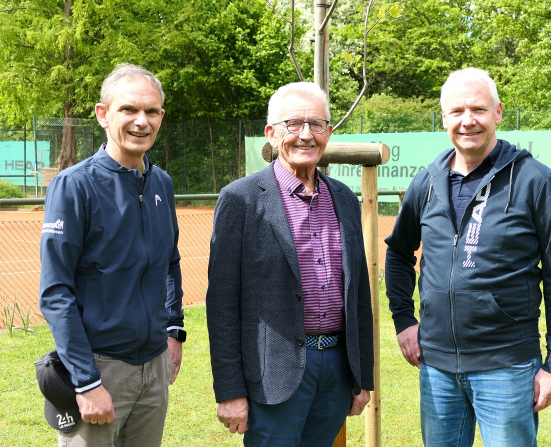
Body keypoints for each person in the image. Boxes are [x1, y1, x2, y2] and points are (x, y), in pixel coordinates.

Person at [385, 67, 551, 446]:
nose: (467, 121)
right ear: (443, 118)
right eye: (456, 111)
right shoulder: (426, 181)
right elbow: (398, 252)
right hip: (436, 366)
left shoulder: (535, 180)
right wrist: (404, 320)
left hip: (506, 366)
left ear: (498, 113)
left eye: (478, 109)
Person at [206, 82, 374, 446]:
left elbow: (358, 293)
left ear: (329, 132)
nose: (305, 135)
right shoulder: (241, 199)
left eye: (316, 124)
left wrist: (363, 378)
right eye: (293, 124)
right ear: (271, 133)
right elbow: (221, 303)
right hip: (273, 376)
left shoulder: (344, 198)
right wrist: (230, 389)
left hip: (336, 371)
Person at [39, 63, 185, 446]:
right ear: (103, 115)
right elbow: (56, 293)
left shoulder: (162, 183)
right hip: (99, 368)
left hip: (153, 367)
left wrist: (173, 330)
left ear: (161, 117)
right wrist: (86, 382)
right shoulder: (74, 186)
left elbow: (170, 263)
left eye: (151, 112)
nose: (142, 121)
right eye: (129, 110)